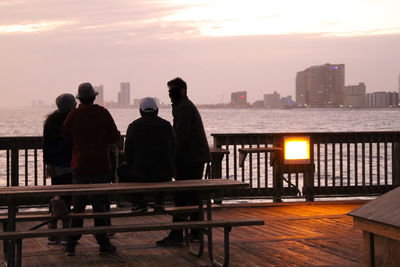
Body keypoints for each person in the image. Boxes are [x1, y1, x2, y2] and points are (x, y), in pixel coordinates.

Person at [61, 82, 120, 256]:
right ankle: (103, 243)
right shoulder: (103, 113)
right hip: (101, 166)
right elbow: (115, 136)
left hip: (80, 166)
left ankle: (71, 244)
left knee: (78, 207)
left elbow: (64, 133)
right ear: (94, 97)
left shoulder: (74, 114)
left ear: (80, 98)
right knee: (99, 207)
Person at [157, 77, 211, 246]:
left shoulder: (184, 108)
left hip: (190, 158)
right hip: (194, 157)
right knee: (193, 195)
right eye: (169, 91)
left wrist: (172, 160)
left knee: (182, 196)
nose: (170, 94)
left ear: (182, 91)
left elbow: (181, 137)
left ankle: (178, 233)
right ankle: (194, 231)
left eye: (173, 91)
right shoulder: (183, 106)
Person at [119, 97, 175, 212]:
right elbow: (174, 149)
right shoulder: (166, 125)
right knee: (169, 167)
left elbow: (128, 153)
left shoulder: (133, 126)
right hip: (163, 174)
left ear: (141, 111)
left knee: (122, 170)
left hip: (140, 174)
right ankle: (160, 200)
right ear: (157, 110)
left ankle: (139, 202)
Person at [43, 93, 76, 245]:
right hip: (72, 163)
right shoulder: (73, 120)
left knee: (57, 196)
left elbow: (46, 146)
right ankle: (65, 233)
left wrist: (48, 163)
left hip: (56, 164)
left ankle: (53, 233)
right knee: (67, 198)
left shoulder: (50, 122)